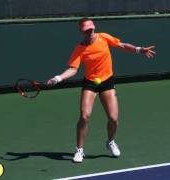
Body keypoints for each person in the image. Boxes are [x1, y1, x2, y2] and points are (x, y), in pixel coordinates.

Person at [47, 17, 156, 163]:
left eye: (91, 29)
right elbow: (73, 69)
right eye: (87, 30)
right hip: (90, 83)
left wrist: (139, 50)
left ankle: (110, 141)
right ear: (81, 31)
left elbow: (121, 45)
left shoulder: (103, 37)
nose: (90, 32)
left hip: (107, 81)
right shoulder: (79, 49)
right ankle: (80, 150)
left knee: (113, 118)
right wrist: (58, 78)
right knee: (85, 116)